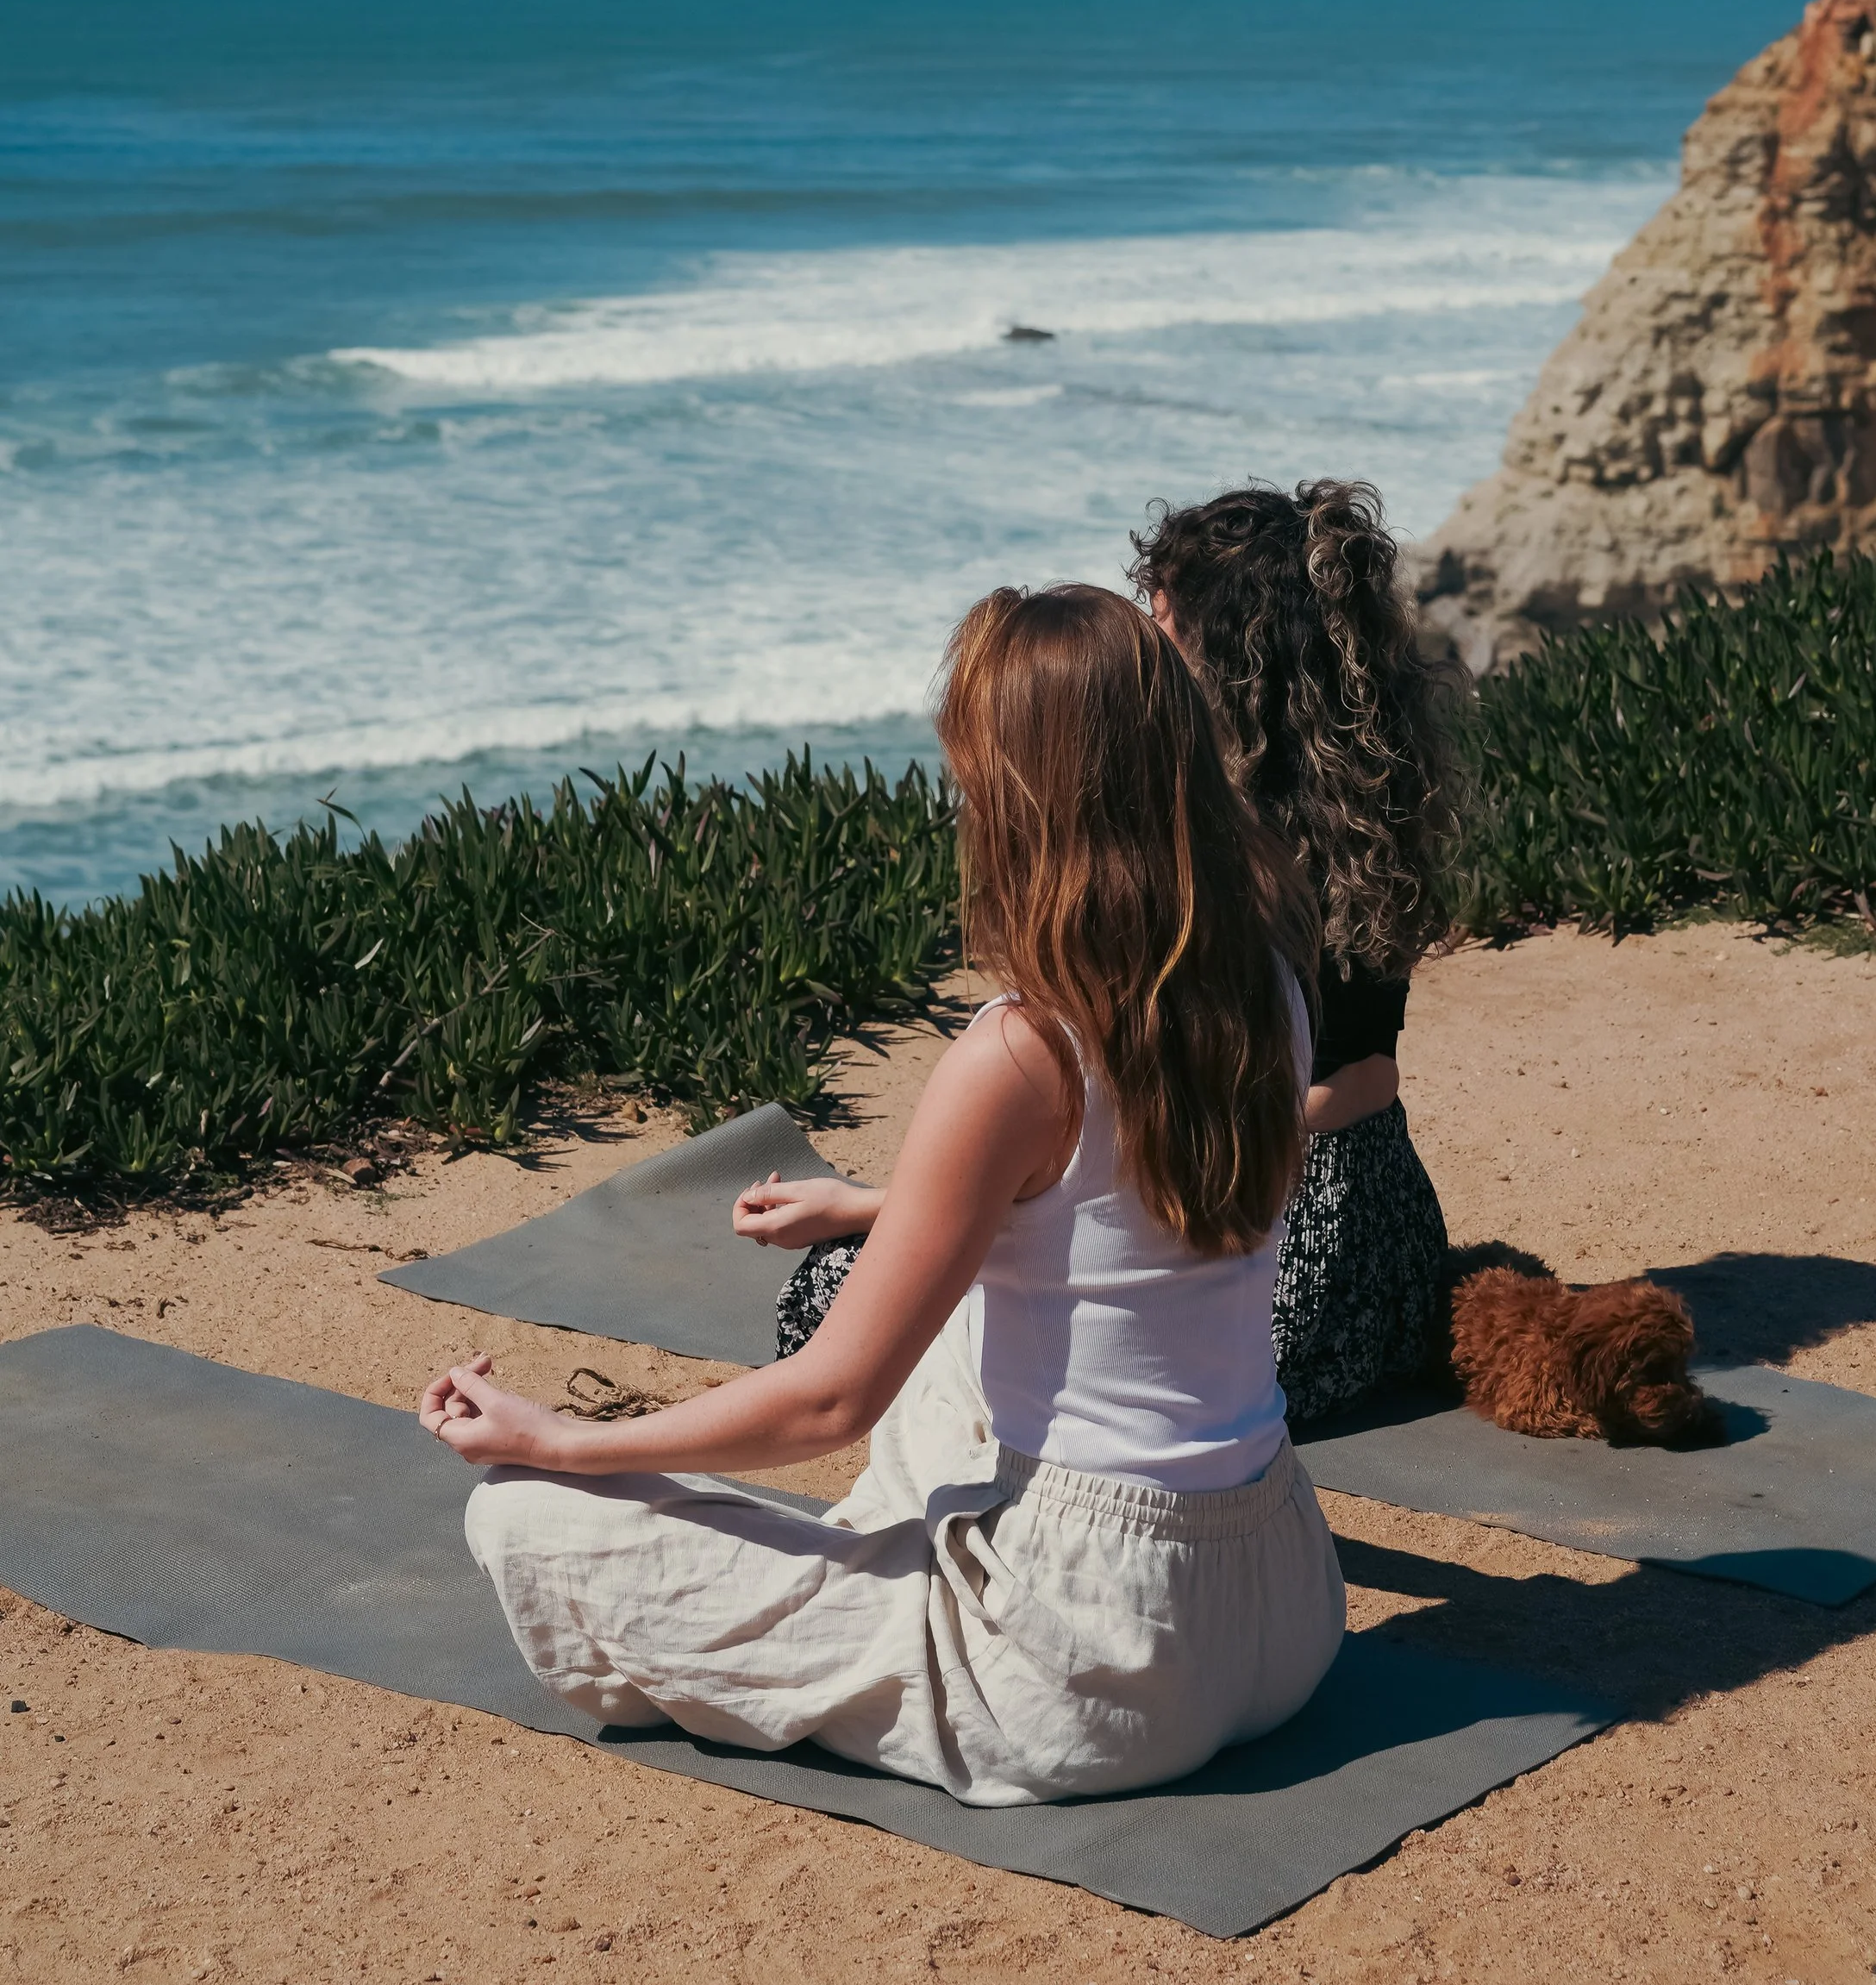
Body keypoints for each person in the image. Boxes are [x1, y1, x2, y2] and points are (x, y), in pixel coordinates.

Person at [421, 585, 1343, 1807]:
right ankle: (899, 1564)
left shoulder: (1025, 1049)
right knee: (958, 1322)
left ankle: (883, 1589)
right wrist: (881, 1209)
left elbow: (831, 1402)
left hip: (1092, 1660)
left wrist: (563, 1441)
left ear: (1014, 791)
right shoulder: (1264, 974)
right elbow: (1120, 1225)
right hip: (1280, 1596)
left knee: (527, 1520)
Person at [1129, 479, 1462, 1425]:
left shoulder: (1220, 842)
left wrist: (893, 1214)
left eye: (1159, 617)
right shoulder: (1363, 810)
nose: (1143, 639)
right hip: (1377, 1249)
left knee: (837, 1291)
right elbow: (1368, 1078)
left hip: (1259, 1252)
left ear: (1225, 648)